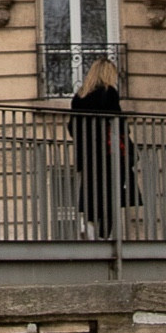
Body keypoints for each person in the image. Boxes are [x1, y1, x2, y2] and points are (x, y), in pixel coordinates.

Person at [69, 55, 128, 238]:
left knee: (91, 196)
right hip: (108, 153)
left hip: (87, 155)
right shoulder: (109, 93)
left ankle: (89, 229)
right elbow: (118, 122)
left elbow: (72, 127)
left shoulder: (79, 96)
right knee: (111, 197)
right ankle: (103, 239)